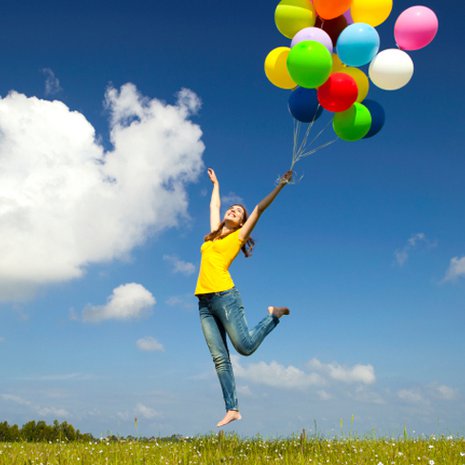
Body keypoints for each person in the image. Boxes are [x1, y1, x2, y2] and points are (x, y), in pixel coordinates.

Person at [195, 167, 292, 427]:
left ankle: (273, 316)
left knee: (245, 347)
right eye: (232, 208)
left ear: (241, 224)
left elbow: (259, 209)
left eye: (238, 212)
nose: (233, 210)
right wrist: (216, 184)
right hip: (204, 303)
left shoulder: (238, 237)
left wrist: (280, 185)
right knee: (219, 358)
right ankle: (232, 409)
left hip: (225, 298)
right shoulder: (213, 236)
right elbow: (214, 206)